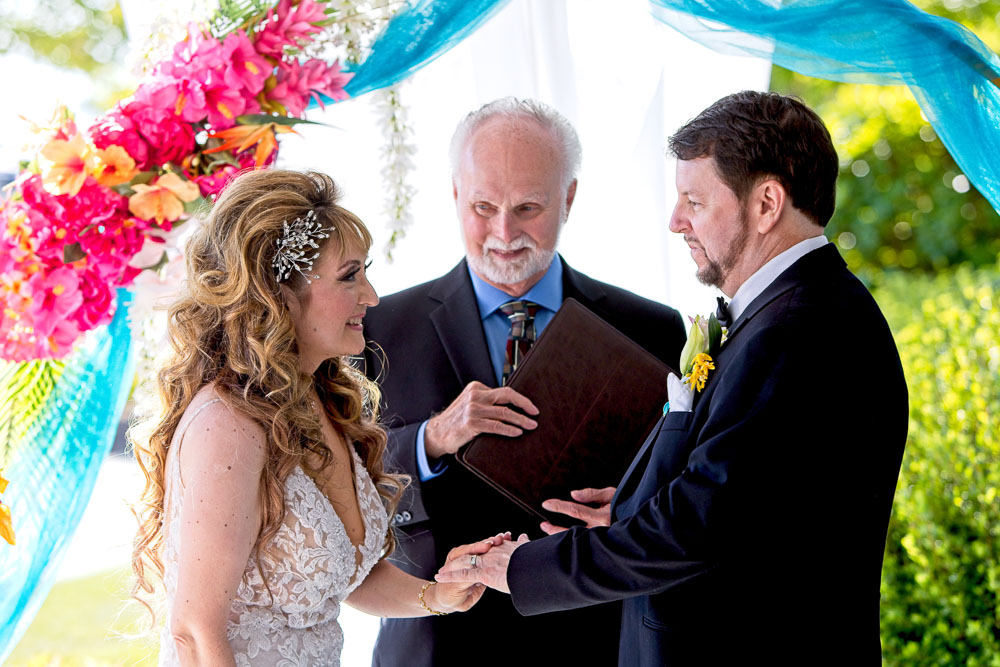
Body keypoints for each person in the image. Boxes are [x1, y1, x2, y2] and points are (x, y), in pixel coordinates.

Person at [438, 91, 909, 665]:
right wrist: (629, 508)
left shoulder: (797, 329)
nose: (675, 221)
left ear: (766, 204)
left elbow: (699, 525)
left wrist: (525, 568)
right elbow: (746, 500)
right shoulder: (786, 312)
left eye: (694, 200)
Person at [362, 97, 687, 665]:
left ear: (569, 198)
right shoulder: (378, 327)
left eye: (528, 208)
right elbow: (338, 477)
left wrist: (628, 506)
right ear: (455, 195)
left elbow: (677, 492)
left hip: (595, 640)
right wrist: (431, 437)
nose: (504, 232)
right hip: (435, 644)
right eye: (483, 206)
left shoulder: (651, 328)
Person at [129, 169, 498, 666]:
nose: (372, 296)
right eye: (350, 276)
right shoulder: (226, 424)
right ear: (278, 292)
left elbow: (343, 575)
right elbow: (194, 632)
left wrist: (436, 596)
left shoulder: (316, 401)